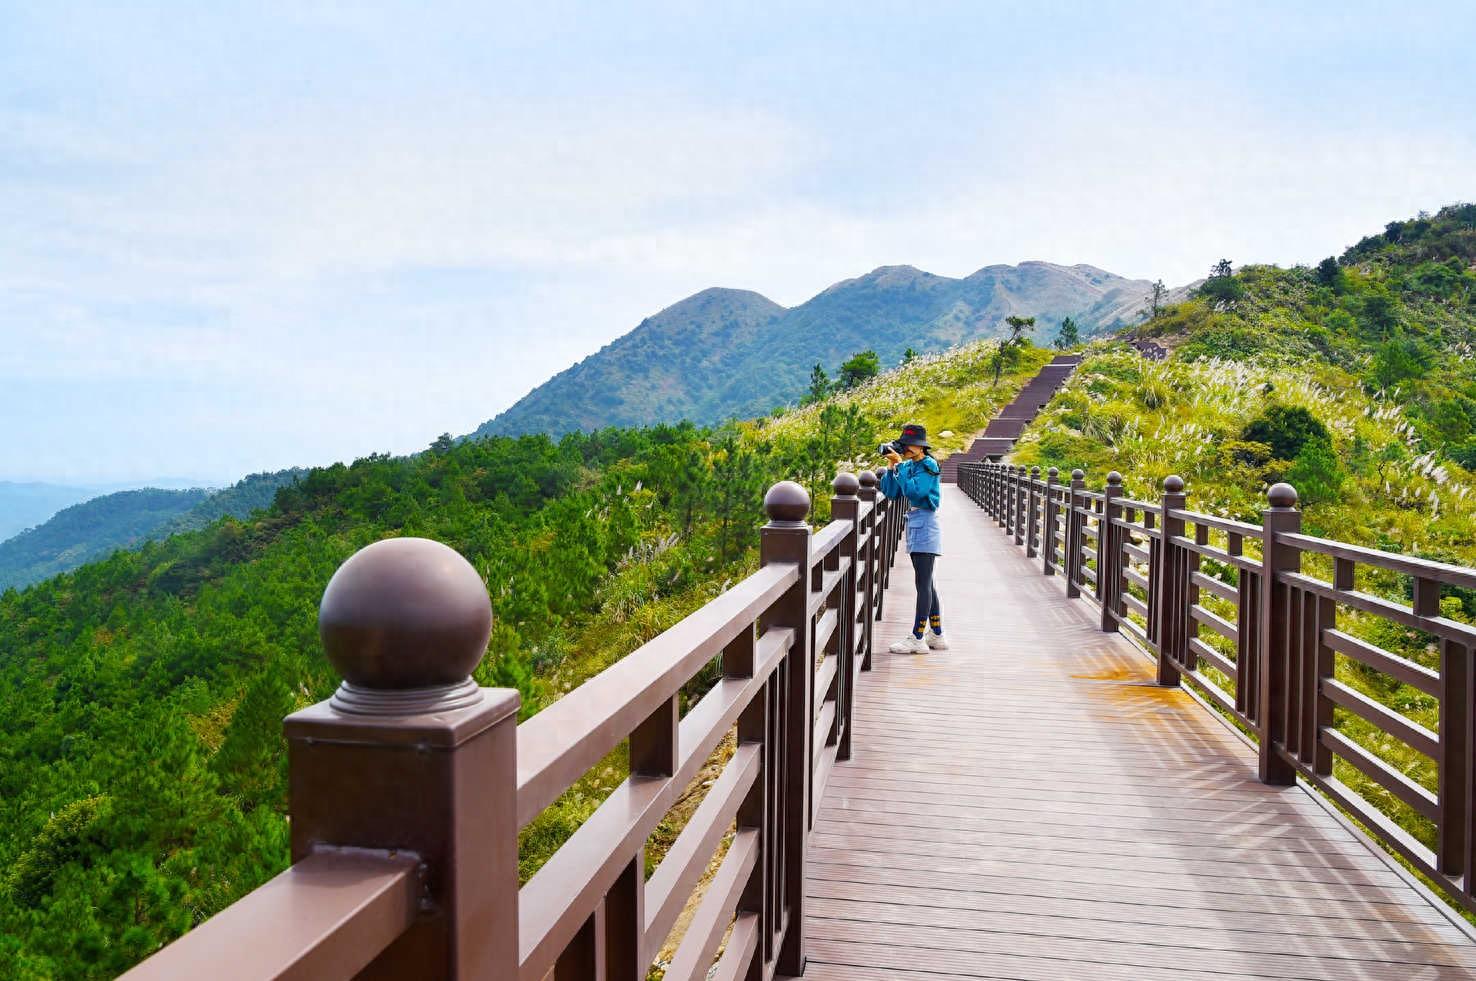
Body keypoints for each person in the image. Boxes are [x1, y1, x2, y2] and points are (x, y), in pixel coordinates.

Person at [879, 423, 947, 654]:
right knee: (926, 581)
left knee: (923, 583)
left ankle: (918, 638)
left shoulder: (928, 465)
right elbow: (891, 492)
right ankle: (937, 635)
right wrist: (891, 467)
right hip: (916, 523)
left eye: (909, 445)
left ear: (920, 447)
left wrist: (900, 467)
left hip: (925, 523)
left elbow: (916, 493)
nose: (906, 448)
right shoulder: (910, 465)